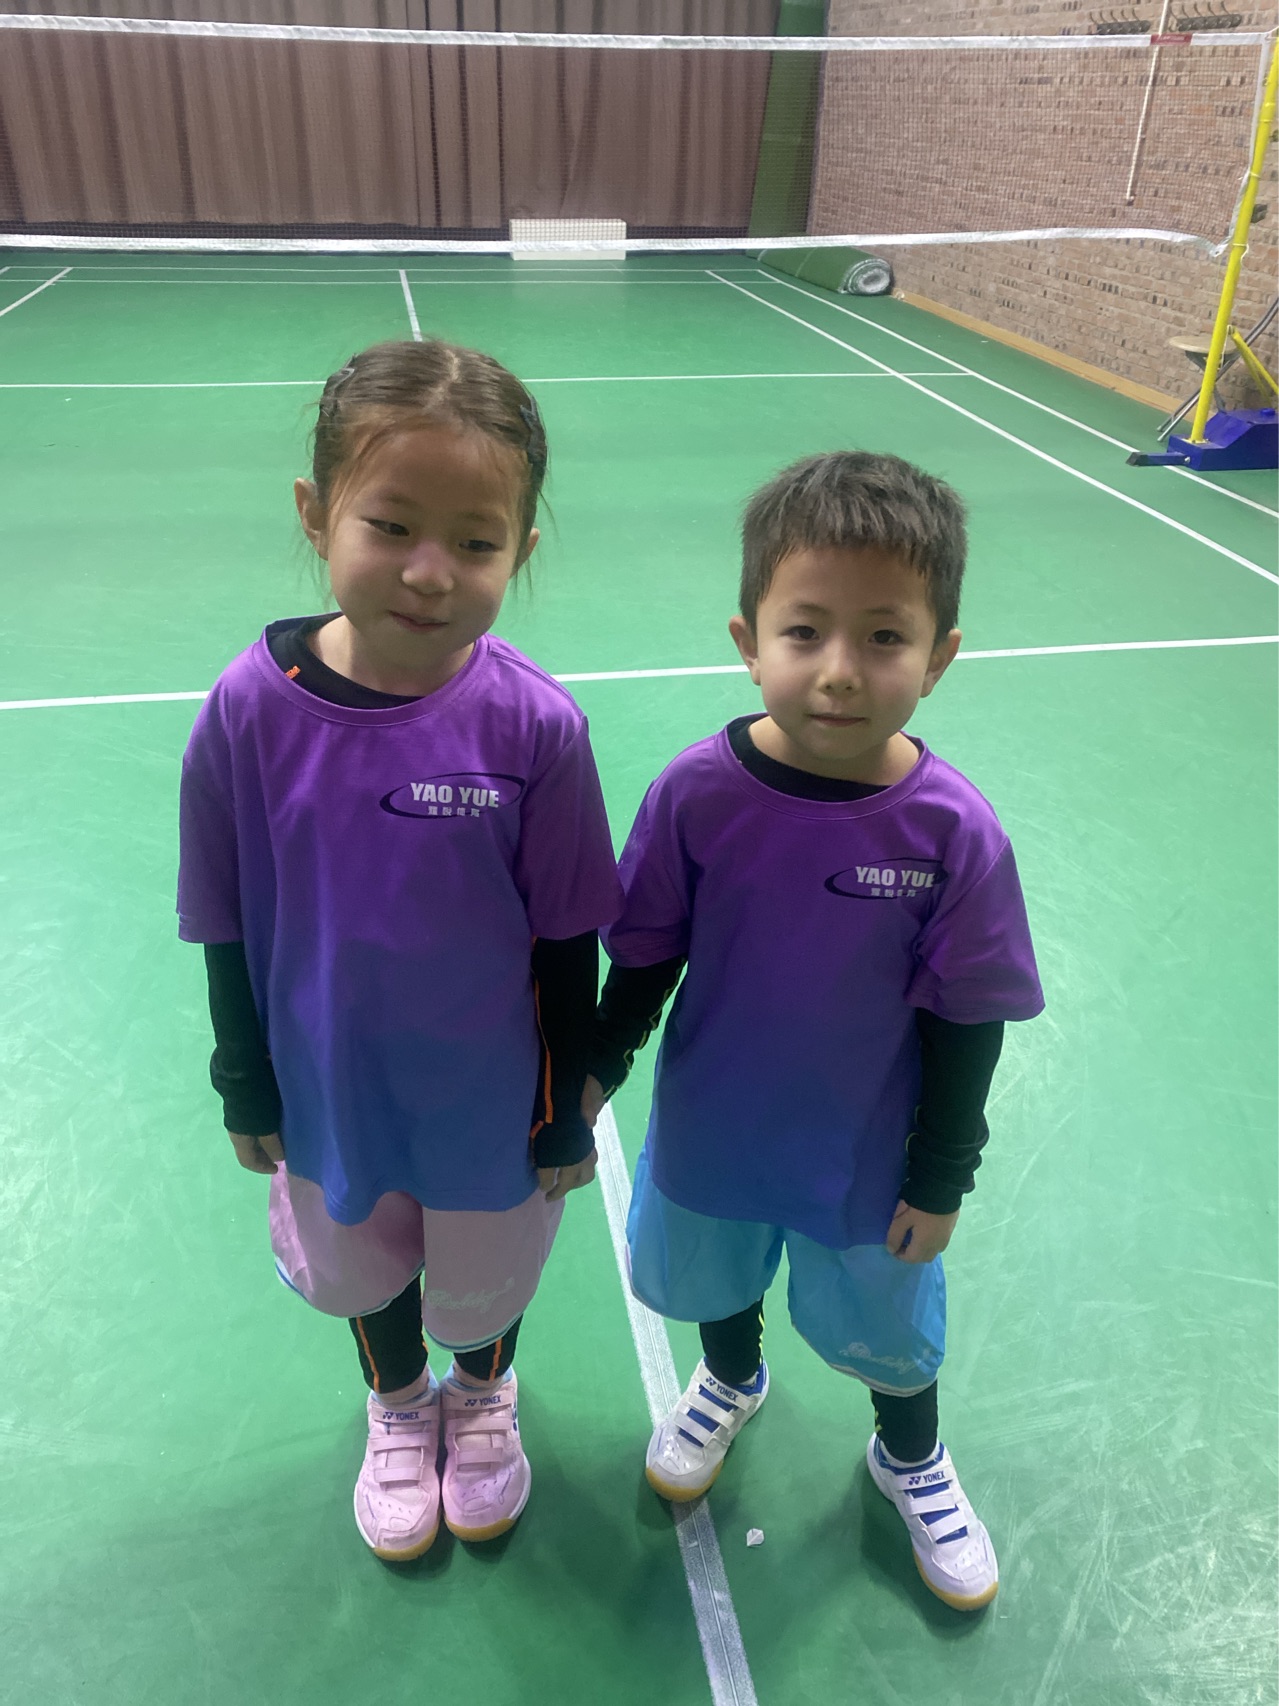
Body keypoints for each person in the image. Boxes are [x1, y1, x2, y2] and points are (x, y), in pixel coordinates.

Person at [178, 339, 621, 1561]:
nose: (431, 572)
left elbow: (567, 935)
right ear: (316, 511)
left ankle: (480, 1393)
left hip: (486, 1099)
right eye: (390, 525)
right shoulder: (245, 710)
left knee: (481, 1274)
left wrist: (561, 1108)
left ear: (520, 550)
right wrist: (243, 1075)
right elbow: (219, 913)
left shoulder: (537, 728)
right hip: (330, 1085)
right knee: (364, 1266)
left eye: (476, 542)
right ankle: (396, 1400)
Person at [584, 451, 1043, 1611]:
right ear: (749, 640)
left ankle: (908, 1453)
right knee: (715, 1277)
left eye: (884, 637)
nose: (839, 670)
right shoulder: (696, 793)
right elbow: (646, 952)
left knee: (891, 1323)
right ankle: (729, 1380)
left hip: (866, 1151)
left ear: (939, 655)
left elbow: (970, 1020)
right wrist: (597, 1063)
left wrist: (940, 1173)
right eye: (804, 631)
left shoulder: (954, 833)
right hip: (716, 1122)